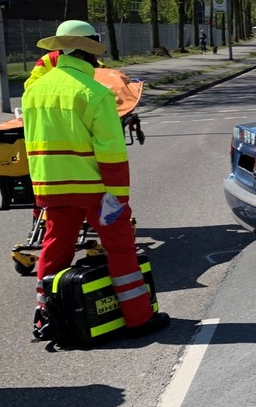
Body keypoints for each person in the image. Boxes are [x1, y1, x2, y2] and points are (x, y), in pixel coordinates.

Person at [21, 21, 170, 340]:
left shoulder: (33, 92)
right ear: (90, 53)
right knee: (120, 248)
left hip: (51, 189)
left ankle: (46, 316)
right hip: (95, 192)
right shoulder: (96, 94)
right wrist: (118, 199)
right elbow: (112, 154)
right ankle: (138, 318)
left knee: (55, 248)